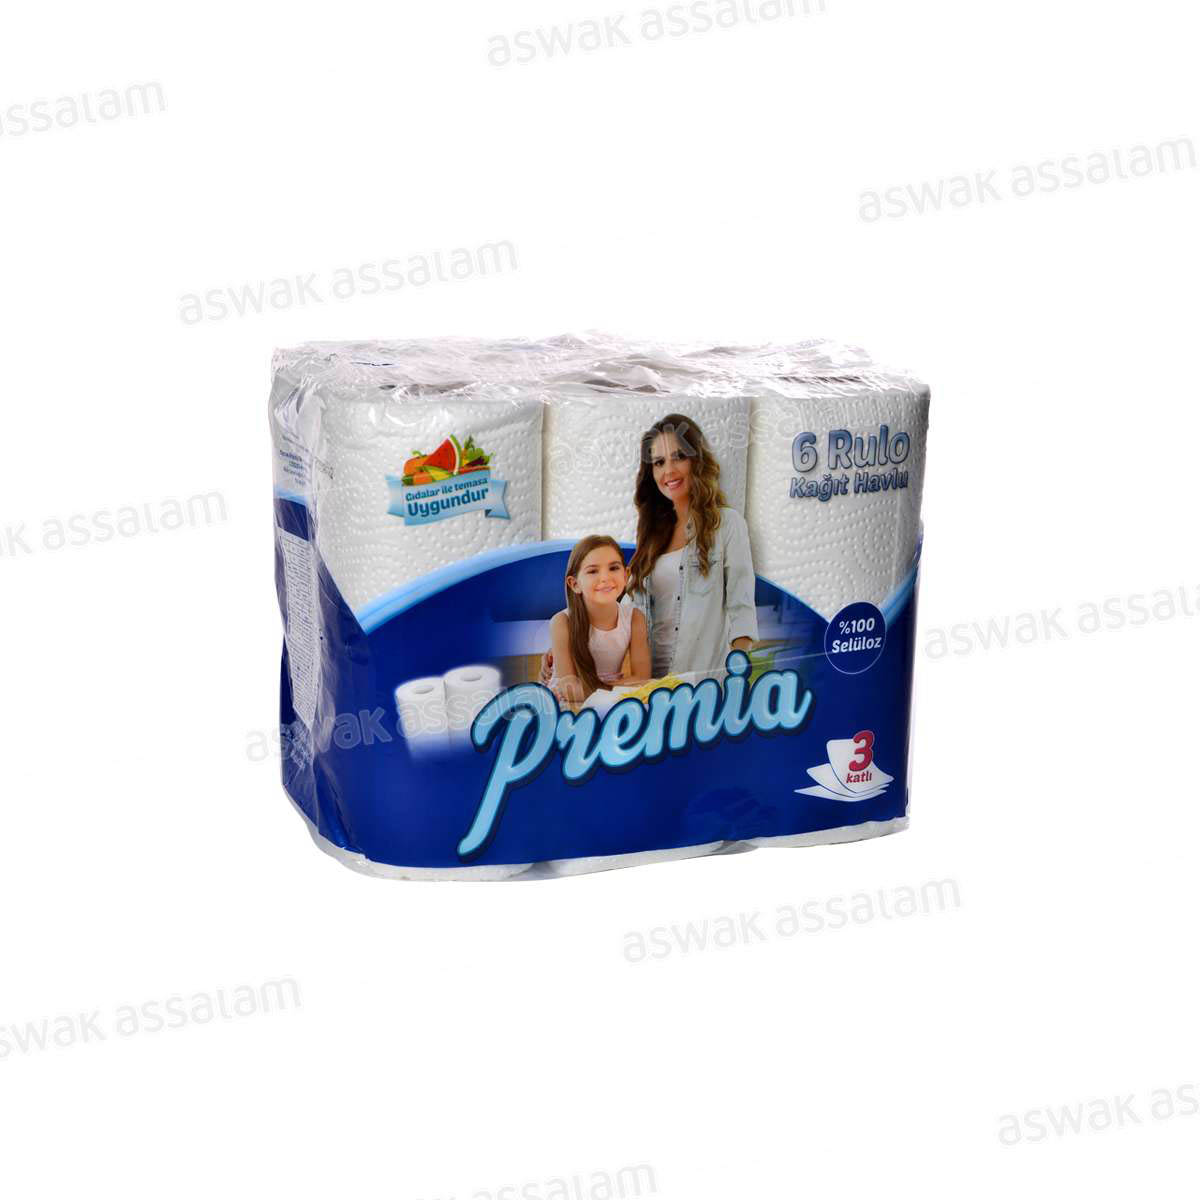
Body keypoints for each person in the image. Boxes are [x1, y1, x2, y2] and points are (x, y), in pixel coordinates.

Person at [547, 535, 650, 704]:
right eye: (593, 571)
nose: (605, 578)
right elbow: (569, 689)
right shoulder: (561, 622)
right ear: (575, 584)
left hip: (611, 702)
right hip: (569, 706)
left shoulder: (635, 618)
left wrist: (602, 690)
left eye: (613, 568)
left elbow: (642, 679)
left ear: (626, 575)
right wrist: (619, 687)